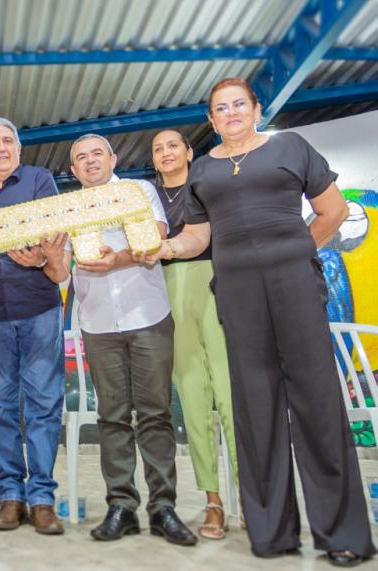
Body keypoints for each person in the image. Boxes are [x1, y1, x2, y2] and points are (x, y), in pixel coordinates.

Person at [148, 77, 376, 566]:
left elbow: (332, 211)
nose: (229, 113)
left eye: (238, 104)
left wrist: (295, 250)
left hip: (295, 287)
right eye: (219, 108)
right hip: (237, 295)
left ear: (255, 109)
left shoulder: (290, 147)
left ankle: (344, 534)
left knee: (317, 404)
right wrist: (162, 248)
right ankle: (272, 533)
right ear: (210, 121)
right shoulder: (203, 170)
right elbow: (196, 237)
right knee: (255, 409)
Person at [66, 133, 196, 546]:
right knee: (112, 417)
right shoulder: (67, 209)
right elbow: (59, 260)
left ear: (113, 158)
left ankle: (164, 508)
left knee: (156, 414)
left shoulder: (138, 190)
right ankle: (121, 505)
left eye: (96, 154)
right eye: (81, 158)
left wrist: (116, 259)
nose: (90, 162)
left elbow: (154, 234)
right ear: (73, 170)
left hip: (147, 315)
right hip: (97, 321)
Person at [0, 117, 69, 535]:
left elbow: (55, 236)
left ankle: (41, 498)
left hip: (40, 308)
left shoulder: (40, 181)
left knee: (43, 403)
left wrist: (42, 258)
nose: (1, 148)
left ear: (18, 148)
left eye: (8, 141)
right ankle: (11, 496)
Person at [150, 129, 238, 540]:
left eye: (173, 145)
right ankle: (214, 501)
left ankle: (254, 498)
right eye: (158, 149)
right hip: (168, 291)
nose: (166, 153)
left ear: (188, 152)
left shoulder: (210, 186)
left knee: (233, 397)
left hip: (219, 285)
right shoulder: (146, 198)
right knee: (193, 398)